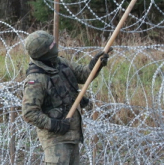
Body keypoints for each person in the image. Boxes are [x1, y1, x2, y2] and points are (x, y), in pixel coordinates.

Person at [21, 30, 109, 165]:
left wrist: (95, 65)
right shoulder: (36, 80)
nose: (54, 46)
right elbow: (29, 112)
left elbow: (84, 74)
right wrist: (54, 125)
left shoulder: (60, 62)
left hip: (72, 134)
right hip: (55, 140)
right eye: (51, 46)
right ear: (43, 52)